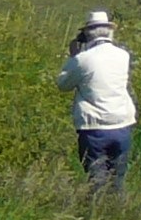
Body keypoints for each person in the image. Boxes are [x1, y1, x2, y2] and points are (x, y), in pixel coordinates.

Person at [56, 10, 136, 193]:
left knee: (96, 180)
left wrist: (73, 56)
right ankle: (118, 213)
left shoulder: (82, 60)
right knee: (118, 179)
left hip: (94, 127)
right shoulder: (123, 56)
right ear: (109, 31)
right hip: (122, 123)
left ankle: (98, 213)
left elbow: (63, 84)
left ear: (87, 33)